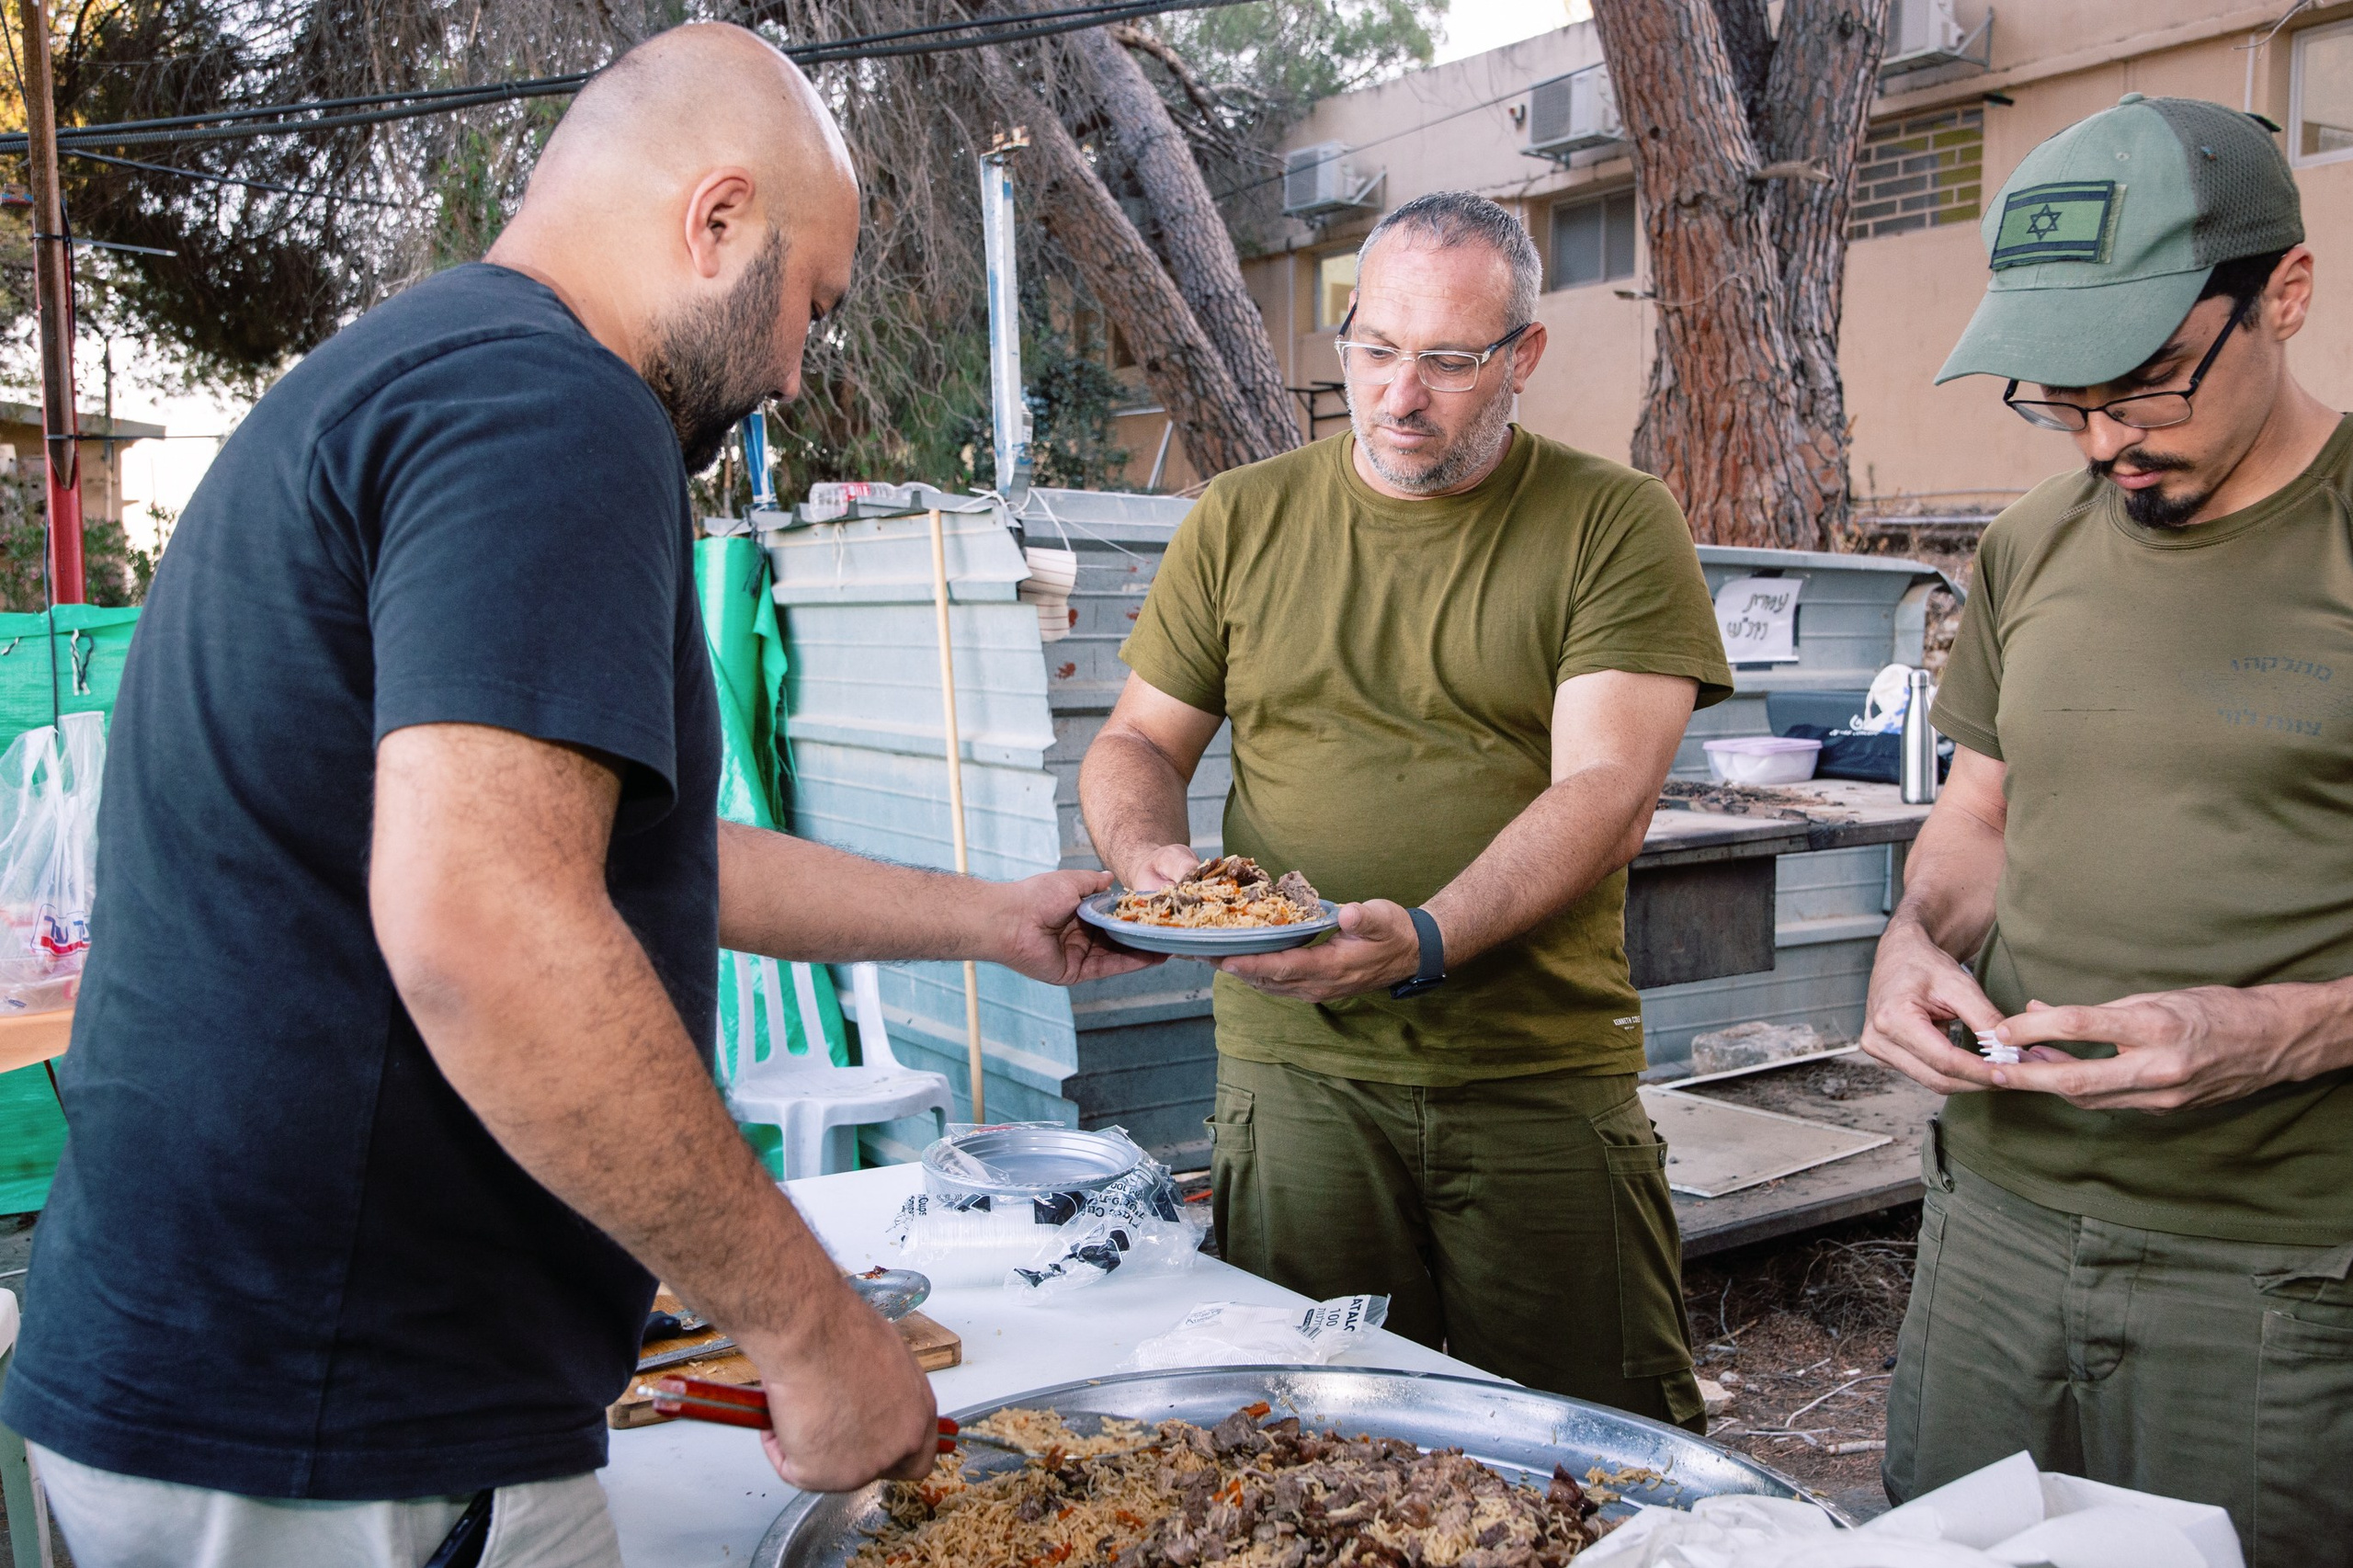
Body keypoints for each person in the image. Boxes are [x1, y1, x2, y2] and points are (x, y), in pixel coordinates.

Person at [0, 25, 1147, 1568]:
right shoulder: (552, 410)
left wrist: (990, 920)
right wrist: (808, 1330)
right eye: (810, 303)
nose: (795, 373)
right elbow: (487, 923)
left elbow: (626, 856)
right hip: (342, 1425)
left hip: (223, 1389)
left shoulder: (415, 374)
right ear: (718, 218)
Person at [1077, 191, 1734, 1426]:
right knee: (1315, 1442)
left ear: (1524, 357)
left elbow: (1607, 788)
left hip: (1534, 1071)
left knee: (1592, 1447)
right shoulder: (1243, 517)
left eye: (1448, 360)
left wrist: (1424, 937)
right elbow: (1133, 743)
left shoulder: (1613, 522)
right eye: (1375, 349)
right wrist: (1160, 867)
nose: (1400, 394)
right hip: (1299, 1078)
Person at [1860, 93, 2352, 1560]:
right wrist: (1905, 948)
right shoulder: (2028, 544)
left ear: (2287, 295)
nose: (2100, 445)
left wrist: (2287, 1031)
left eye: (2142, 388)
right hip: (1989, 1231)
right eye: (2060, 396)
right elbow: (1980, 823)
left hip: (2277, 1271)